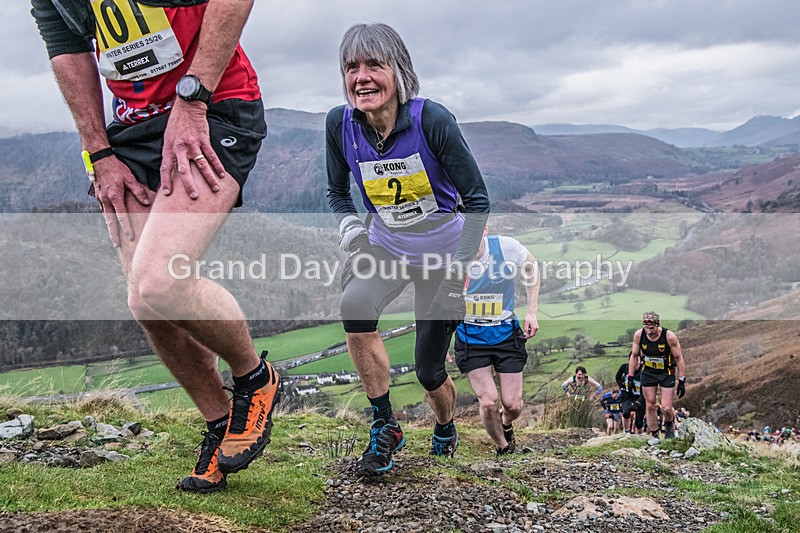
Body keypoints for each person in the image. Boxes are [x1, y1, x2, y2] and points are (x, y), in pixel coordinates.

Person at [31, 0, 279, 493]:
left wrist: (193, 100)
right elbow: (66, 45)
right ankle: (218, 421)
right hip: (131, 131)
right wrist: (98, 153)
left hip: (213, 105)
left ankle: (255, 377)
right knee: (146, 301)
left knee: (162, 280)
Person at [326, 23, 490, 474]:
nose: (361, 77)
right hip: (387, 246)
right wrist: (354, 235)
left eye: (374, 65)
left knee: (429, 371)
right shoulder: (339, 124)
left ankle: (444, 425)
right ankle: (385, 426)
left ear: (398, 72)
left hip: (443, 257)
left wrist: (458, 272)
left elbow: (477, 201)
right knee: (354, 306)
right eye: (351, 67)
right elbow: (337, 194)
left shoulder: (432, 121)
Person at [452, 228, 539, 455]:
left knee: (513, 404)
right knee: (488, 401)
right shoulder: (451, 254)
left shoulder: (504, 247)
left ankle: (506, 424)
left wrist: (531, 312)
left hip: (505, 335)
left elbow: (531, 266)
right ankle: (504, 447)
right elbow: (434, 297)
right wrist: (439, 338)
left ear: (485, 229)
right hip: (471, 338)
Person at [628, 311, 686, 439]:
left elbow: (679, 358)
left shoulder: (669, 336)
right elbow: (634, 355)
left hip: (666, 372)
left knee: (666, 407)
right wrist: (630, 376)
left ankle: (670, 424)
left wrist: (682, 380)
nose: (649, 332)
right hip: (648, 372)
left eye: (652, 328)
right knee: (650, 405)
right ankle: (655, 435)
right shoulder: (639, 335)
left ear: (657, 325)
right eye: (646, 328)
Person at [616, 358, 645, 434]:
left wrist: (638, 402)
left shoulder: (644, 371)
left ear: (640, 362)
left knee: (639, 423)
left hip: (641, 397)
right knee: (626, 413)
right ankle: (626, 433)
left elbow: (647, 391)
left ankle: (640, 437)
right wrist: (622, 389)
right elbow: (617, 377)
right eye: (633, 361)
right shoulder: (624, 367)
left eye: (637, 361)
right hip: (628, 395)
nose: (635, 363)